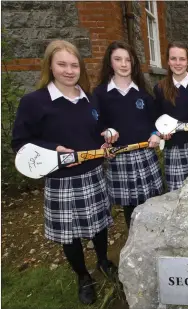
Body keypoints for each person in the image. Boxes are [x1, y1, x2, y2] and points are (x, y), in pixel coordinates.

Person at [11, 40, 119, 305]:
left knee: (99, 226)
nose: (69, 71)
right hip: (62, 180)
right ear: (50, 66)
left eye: (74, 65)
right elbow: (20, 143)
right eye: (62, 64)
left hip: (93, 174)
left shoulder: (89, 98)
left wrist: (106, 137)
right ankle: (83, 276)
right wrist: (53, 150)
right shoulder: (34, 102)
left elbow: (97, 129)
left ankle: (104, 261)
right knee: (69, 234)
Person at [93, 41, 164, 229]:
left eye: (128, 60)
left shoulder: (144, 92)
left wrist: (156, 134)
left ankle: (151, 237)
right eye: (118, 59)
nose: (123, 64)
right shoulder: (99, 94)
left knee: (151, 201)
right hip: (119, 156)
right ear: (110, 62)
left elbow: (155, 121)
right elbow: (96, 123)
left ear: (134, 63)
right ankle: (133, 238)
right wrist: (105, 133)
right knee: (129, 205)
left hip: (145, 154)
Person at [153, 42, 188, 191]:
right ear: (168, 61)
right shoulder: (160, 88)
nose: (178, 63)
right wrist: (161, 133)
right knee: (176, 192)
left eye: (182, 59)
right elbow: (157, 117)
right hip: (173, 148)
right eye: (173, 58)